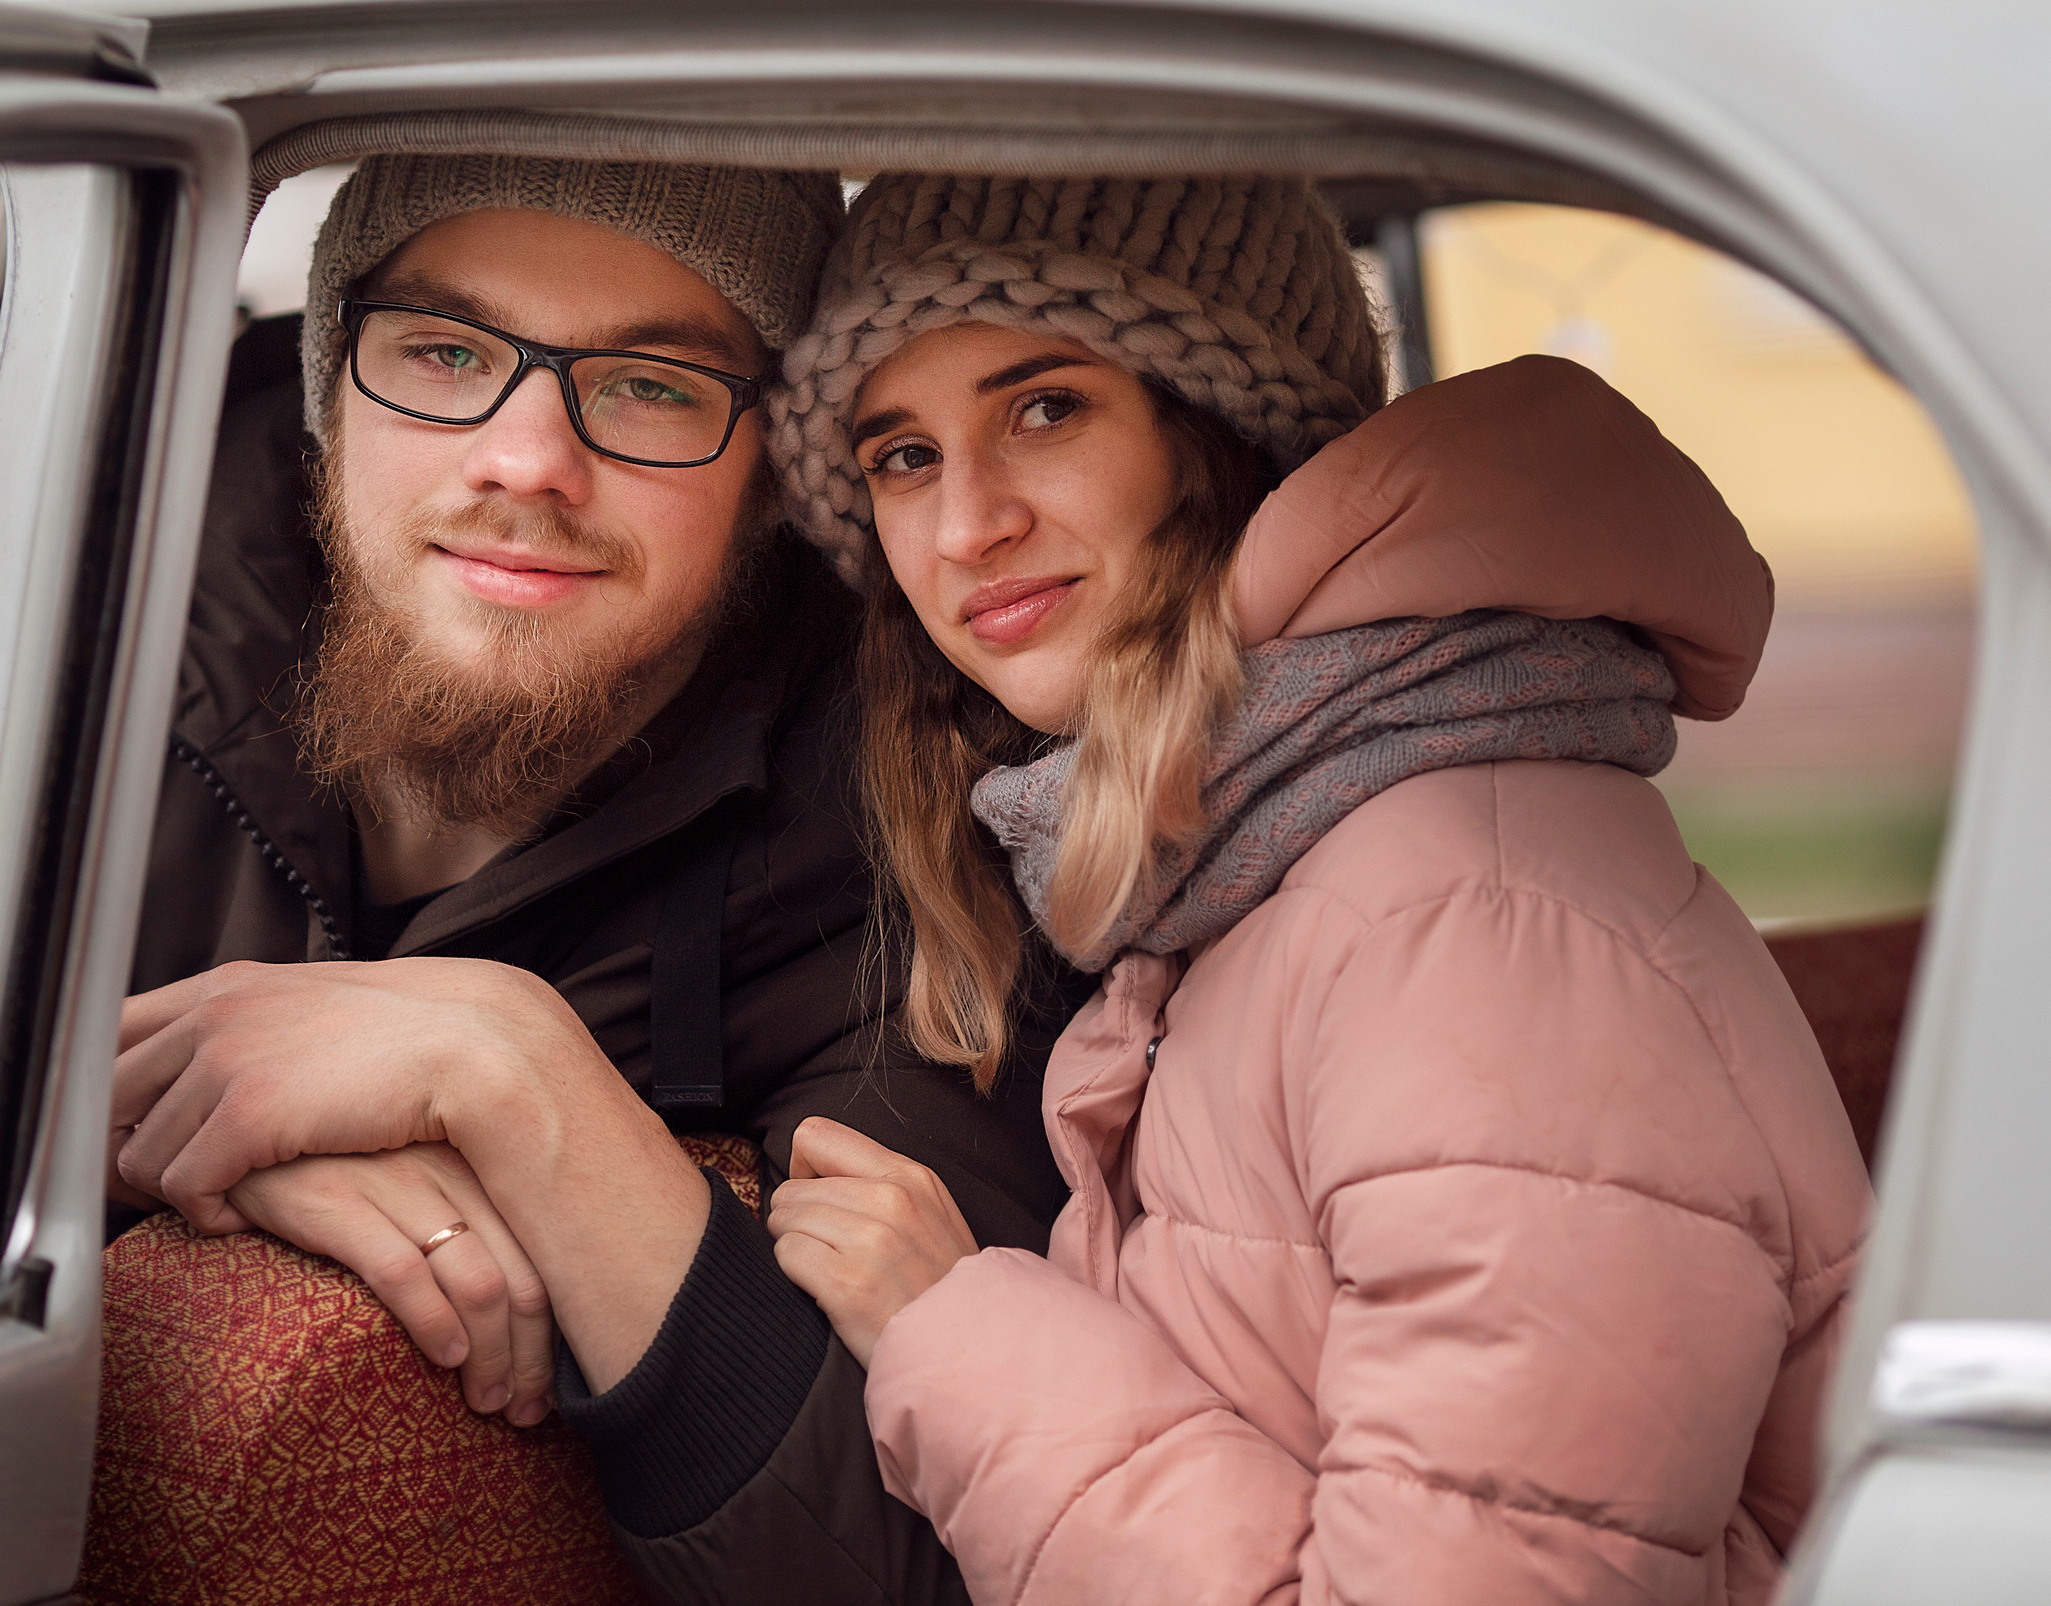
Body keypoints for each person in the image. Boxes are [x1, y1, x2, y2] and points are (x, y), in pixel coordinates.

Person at [755, 173, 1872, 1604]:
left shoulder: (1464, 925)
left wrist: (960, 1338)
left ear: (1226, 436)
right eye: (903, 455)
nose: (965, 524)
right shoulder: (1269, 862)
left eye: (1045, 408)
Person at [102, 156, 1081, 1602]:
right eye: (443, 354)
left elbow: (908, 1567)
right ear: (332, 390)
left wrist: (513, 1072)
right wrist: (180, 1148)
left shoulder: (896, 842)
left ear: (773, 486)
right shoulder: (103, 642)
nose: (524, 461)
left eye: (652, 388)